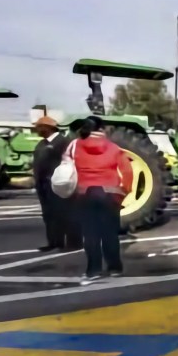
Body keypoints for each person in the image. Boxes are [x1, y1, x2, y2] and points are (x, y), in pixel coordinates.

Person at [71, 118, 132, 284]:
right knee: (110, 233)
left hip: (84, 194)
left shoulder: (75, 145)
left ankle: (93, 270)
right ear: (102, 129)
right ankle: (115, 268)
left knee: (90, 234)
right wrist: (123, 193)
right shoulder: (113, 148)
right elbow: (127, 172)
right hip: (109, 194)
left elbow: (65, 167)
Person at [32, 116, 80, 251]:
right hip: (44, 185)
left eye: (39, 126)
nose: (37, 129)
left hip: (60, 184)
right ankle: (54, 241)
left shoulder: (63, 142)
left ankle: (74, 242)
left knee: (66, 213)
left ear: (48, 128)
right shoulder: (41, 144)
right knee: (49, 215)